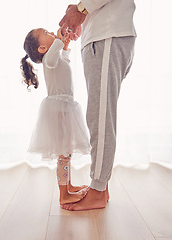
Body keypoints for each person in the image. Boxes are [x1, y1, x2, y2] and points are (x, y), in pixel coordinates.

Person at [59, 0, 137, 211]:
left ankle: (98, 191)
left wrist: (81, 9)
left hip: (107, 36)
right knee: (100, 114)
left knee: (100, 117)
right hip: (102, 37)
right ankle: (100, 187)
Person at [21, 28, 91, 205]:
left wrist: (65, 46)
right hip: (59, 110)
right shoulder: (48, 60)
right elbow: (53, 59)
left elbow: (64, 62)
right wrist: (59, 41)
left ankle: (68, 185)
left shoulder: (54, 58)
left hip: (66, 107)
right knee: (63, 153)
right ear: (43, 48)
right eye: (46, 32)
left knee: (66, 151)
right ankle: (63, 194)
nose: (52, 32)